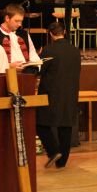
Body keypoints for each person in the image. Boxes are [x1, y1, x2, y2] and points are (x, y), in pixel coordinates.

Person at [37, 21, 81, 169]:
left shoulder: (48, 50)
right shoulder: (75, 50)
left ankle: (53, 151)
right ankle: (61, 162)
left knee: (41, 123)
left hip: (51, 93)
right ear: (65, 32)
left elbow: (39, 70)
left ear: (50, 34)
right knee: (65, 126)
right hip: (70, 93)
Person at [0, 3, 42, 73]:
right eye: (16, 21)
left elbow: (32, 54)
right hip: (6, 74)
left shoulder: (24, 34)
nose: (20, 24)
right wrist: (9, 66)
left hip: (26, 73)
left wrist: (36, 65)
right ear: (7, 18)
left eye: (21, 21)